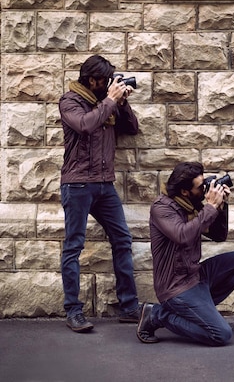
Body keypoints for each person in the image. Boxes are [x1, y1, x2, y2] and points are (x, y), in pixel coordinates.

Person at [59, 55, 141, 332]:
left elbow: (132, 129)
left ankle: (129, 307)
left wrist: (122, 101)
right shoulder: (69, 101)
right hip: (78, 184)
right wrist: (109, 100)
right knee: (73, 246)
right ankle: (73, 311)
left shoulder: (108, 103)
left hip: (105, 185)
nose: (108, 84)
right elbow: (85, 125)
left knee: (122, 240)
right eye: (104, 81)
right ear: (92, 80)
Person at [136, 161, 234, 346]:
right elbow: (182, 235)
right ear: (185, 191)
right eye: (201, 187)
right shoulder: (162, 208)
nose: (205, 189)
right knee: (222, 335)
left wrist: (221, 205)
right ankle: (157, 315)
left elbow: (219, 236)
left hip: (196, 275)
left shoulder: (193, 204)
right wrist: (209, 207)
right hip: (176, 286)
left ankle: (199, 310)